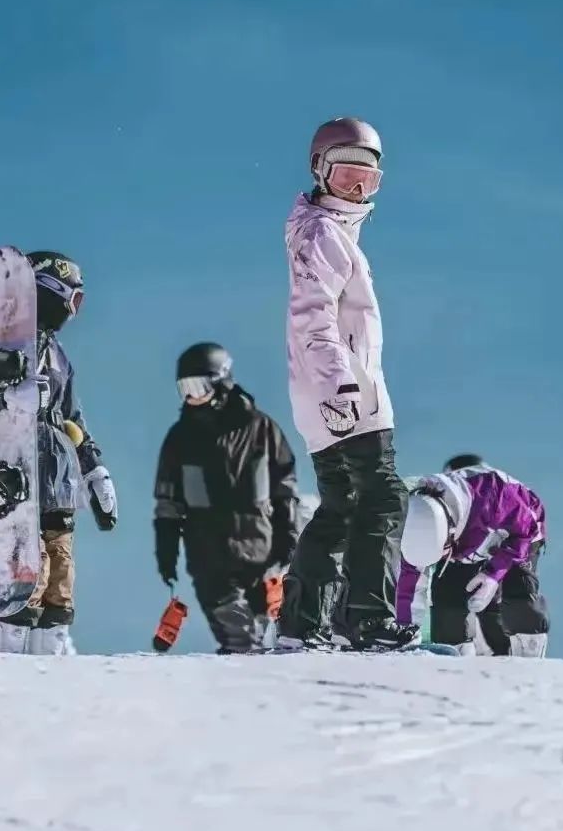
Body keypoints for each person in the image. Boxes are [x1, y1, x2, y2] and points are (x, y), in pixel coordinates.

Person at [276, 117, 410, 652]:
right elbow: (313, 317)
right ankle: (368, 621)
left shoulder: (326, 232)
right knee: (382, 498)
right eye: (345, 174)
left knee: (342, 505)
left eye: (367, 178)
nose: (355, 187)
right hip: (344, 392)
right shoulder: (323, 234)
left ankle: (304, 623)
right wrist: (340, 386)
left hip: (329, 391)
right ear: (319, 170)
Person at [0, 251, 116, 653]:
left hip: (58, 474)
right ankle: (14, 649)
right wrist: (9, 394)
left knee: (60, 567)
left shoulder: (59, 356)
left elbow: (74, 418)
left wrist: (95, 471)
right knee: (27, 561)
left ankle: (51, 650)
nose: (74, 311)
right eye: (73, 299)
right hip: (13, 469)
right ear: (47, 290)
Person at [153, 343, 300, 653]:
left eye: (198, 387)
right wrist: (166, 548)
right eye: (184, 389)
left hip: (260, 555)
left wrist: (288, 537)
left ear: (221, 382)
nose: (191, 397)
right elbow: (168, 503)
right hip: (209, 557)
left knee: (260, 640)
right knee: (239, 640)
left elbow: (284, 488)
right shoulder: (180, 438)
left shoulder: (261, 429)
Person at [397, 458, 549, 656]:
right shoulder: (412, 526)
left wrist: (494, 574)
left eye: (442, 550)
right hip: (464, 542)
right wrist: (407, 629)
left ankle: (528, 653)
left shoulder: (497, 497)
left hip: (515, 533)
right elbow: (410, 587)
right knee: (447, 596)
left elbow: (527, 529)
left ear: (450, 533)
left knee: (519, 591)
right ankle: (455, 656)